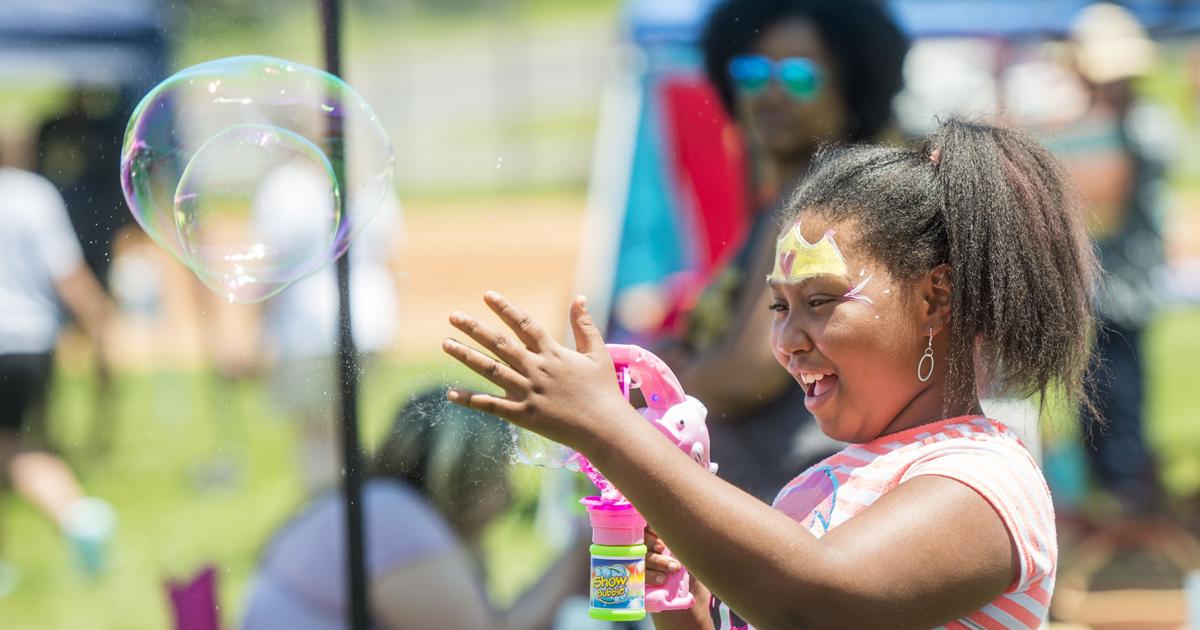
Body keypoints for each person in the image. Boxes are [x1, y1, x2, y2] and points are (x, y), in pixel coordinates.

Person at [441, 118, 1097, 627]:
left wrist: (612, 432)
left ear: (935, 298)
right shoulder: (819, 487)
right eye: (778, 308)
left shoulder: (986, 479)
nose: (787, 341)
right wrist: (683, 607)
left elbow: (816, 607)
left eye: (820, 302)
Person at [661, 0, 909, 501]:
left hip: (802, 476)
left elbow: (748, 372)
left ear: (852, 82)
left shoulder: (829, 201)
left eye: (799, 76)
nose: (770, 93)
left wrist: (649, 394)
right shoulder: (796, 191)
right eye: (752, 72)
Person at [241, 388, 589, 629]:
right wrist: (579, 553)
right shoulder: (395, 520)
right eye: (498, 477)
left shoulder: (384, 505)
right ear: (462, 477)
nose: (511, 495)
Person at [0, 163, 117, 588]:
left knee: (10, 448)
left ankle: (71, 518)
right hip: (33, 342)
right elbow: (65, 270)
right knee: (15, 443)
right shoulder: (35, 193)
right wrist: (98, 319)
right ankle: (76, 513)